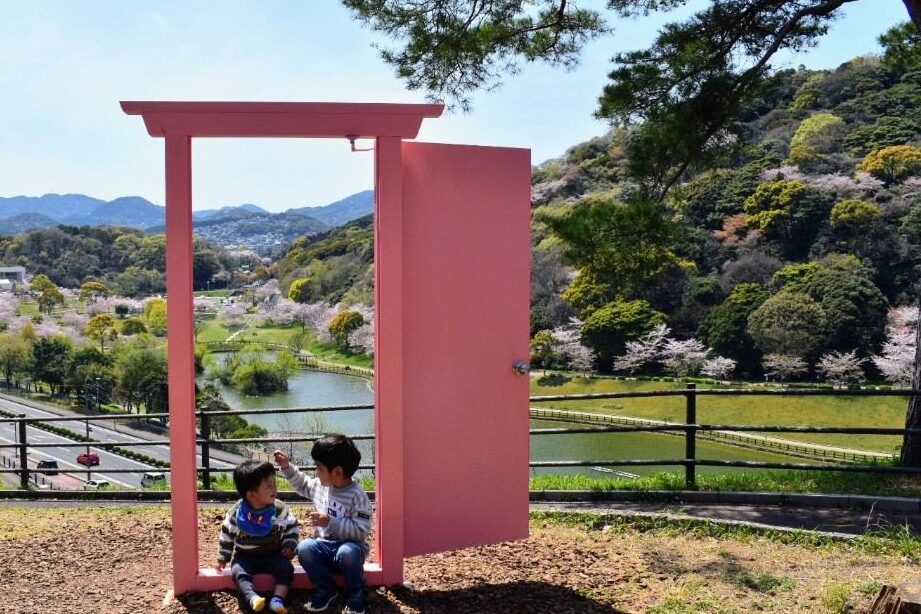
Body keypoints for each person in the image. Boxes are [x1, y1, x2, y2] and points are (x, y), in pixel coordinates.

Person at [274, 434, 372, 614]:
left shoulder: (357, 496)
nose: (316, 471)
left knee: (347, 552)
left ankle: (357, 592)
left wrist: (330, 522)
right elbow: (303, 484)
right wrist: (287, 467)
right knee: (304, 547)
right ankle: (326, 588)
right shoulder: (320, 485)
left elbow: (361, 530)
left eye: (319, 467)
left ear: (337, 472)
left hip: (350, 549)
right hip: (324, 546)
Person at [217, 459, 299, 614]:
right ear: (251, 494)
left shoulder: (279, 511)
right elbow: (226, 534)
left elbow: (292, 528)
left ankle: (277, 599)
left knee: (286, 568)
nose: (274, 488)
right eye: (269, 486)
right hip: (245, 555)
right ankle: (253, 598)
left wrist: (289, 545)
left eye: (274, 483)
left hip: (274, 553)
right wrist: (224, 556)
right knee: (238, 571)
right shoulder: (236, 515)